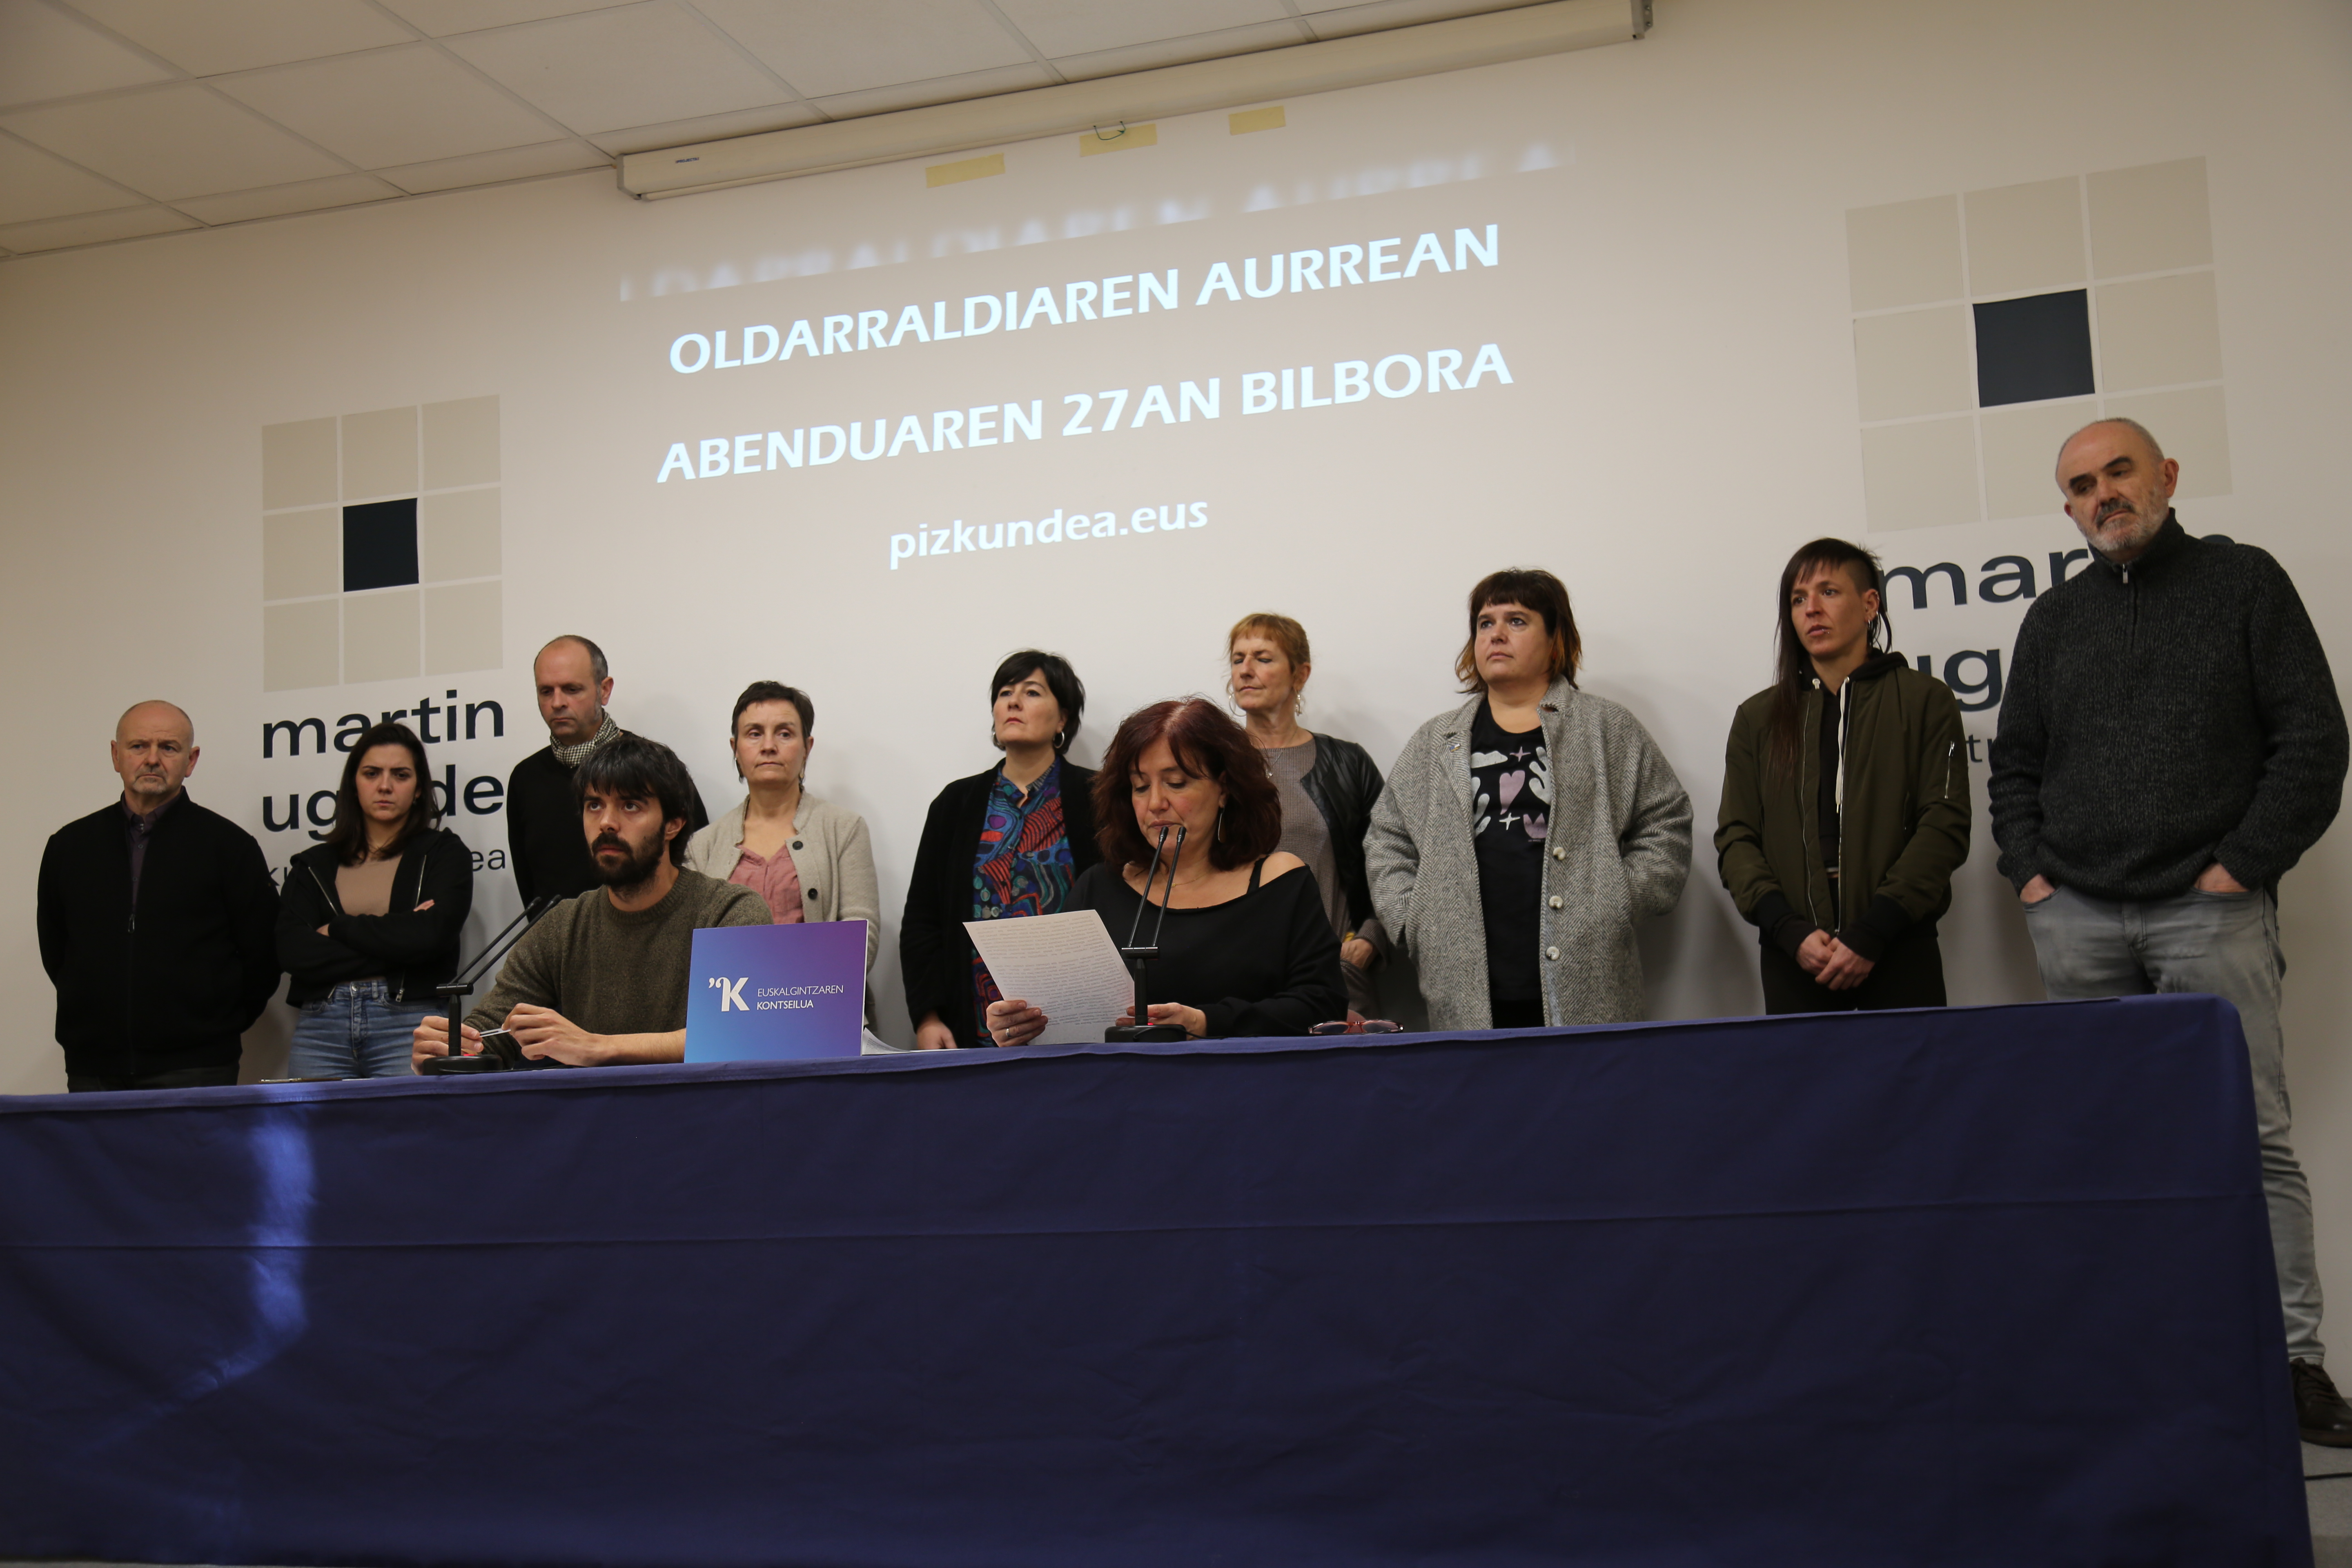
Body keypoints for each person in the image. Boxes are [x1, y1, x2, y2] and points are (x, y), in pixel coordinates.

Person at [1989, 416, 2352, 1443]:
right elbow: (2014, 766)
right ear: (2066, 508)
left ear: (2166, 476)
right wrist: (2032, 878)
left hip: (2210, 911)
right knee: (2106, 1151)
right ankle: (2137, 1366)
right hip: (2078, 921)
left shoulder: (2244, 583)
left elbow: (2311, 740)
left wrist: (2239, 868)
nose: (2101, 494)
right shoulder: (2052, 619)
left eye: (2119, 472)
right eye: (2080, 485)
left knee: (2252, 1138)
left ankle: (2292, 1364)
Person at [1366, 569, 1691, 1029]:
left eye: (1517, 621)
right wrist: (1415, 919)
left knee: (1586, 1079)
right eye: (1485, 623)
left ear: (1556, 640)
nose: (1496, 634)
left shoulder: (1606, 728)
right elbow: (1387, 840)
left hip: (1589, 982)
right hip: (1463, 989)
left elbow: (1666, 821)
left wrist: (1617, 899)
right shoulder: (1435, 742)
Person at [985, 699, 1345, 1044]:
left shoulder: (1279, 881)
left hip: (1246, 1080)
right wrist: (1020, 1027)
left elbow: (1324, 1005)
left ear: (1224, 789)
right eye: (1141, 787)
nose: (1156, 803)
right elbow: (1062, 1013)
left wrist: (1205, 1023)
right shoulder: (1100, 887)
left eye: (1176, 783)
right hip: (1120, 1083)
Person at [1715, 540, 1971, 1013]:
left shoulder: (1925, 701)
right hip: (1795, 954)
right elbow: (1737, 838)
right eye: (1798, 599)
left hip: (1899, 944)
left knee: (1909, 1066)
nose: (1811, 609)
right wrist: (1787, 930)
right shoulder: (1758, 718)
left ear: (1870, 605)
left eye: (1828, 592)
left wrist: (1874, 931)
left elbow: (1944, 825)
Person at [414, 734, 768, 1069]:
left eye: (630, 806)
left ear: (673, 824)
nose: (607, 823)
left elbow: (740, 1033)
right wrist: (451, 1048)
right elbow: (494, 1030)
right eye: (594, 805)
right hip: (594, 1113)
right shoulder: (561, 926)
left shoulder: (729, 912)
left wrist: (597, 1048)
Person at [36, 700, 278, 1091]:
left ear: (191, 760)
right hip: (93, 1068)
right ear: (116, 755)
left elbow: (263, 956)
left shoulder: (230, 846)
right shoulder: (69, 846)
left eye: (168, 747)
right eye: (138, 746)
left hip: (198, 1067)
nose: (152, 759)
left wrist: (213, 1025)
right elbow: (57, 950)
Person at [901, 651, 1100, 1049]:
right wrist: (928, 1017)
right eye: (1005, 693)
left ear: (1062, 718)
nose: (1013, 702)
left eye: (1032, 692)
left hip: (1077, 1021)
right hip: (971, 1025)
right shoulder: (954, 804)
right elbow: (923, 919)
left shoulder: (1099, 798)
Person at [275, 722, 476, 1077]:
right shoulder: (313, 864)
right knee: (312, 1119)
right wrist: (400, 942)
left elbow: (431, 937)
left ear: (419, 789)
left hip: (411, 1024)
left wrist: (337, 928)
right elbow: (293, 951)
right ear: (354, 785)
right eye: (372, 774)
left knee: (413, 1118)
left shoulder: (442, 853)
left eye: (401, 775)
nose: (385, 786)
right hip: (321, 1029)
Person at [1228, 613, 1390, 1020]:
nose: (1245, 670)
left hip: (1337, 977)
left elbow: (1392, 858)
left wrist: (1371, 938)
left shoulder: (1348, 763)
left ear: (1300, 675)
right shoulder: (1213, 766)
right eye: (1238, 659)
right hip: (1237, 978)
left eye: (1263, 658)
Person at [683, 682, 881, 980]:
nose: (769, 746)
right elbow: (691, 946)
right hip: (731, 1004)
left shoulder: (844, 829)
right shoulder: (702, 845)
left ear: (807, 748)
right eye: (754, 734)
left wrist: (792, 990)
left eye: (785, 734)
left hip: (821, 998)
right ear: (735, 749)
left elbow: (862, 934)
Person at [506, 635, 707, 907]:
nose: (557, 703)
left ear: (605, 690)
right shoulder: (526, 779)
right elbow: (531, 890)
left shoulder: (655, 769)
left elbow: (698, 862)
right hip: (559, 933)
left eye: (572, 689)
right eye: (546, 691)